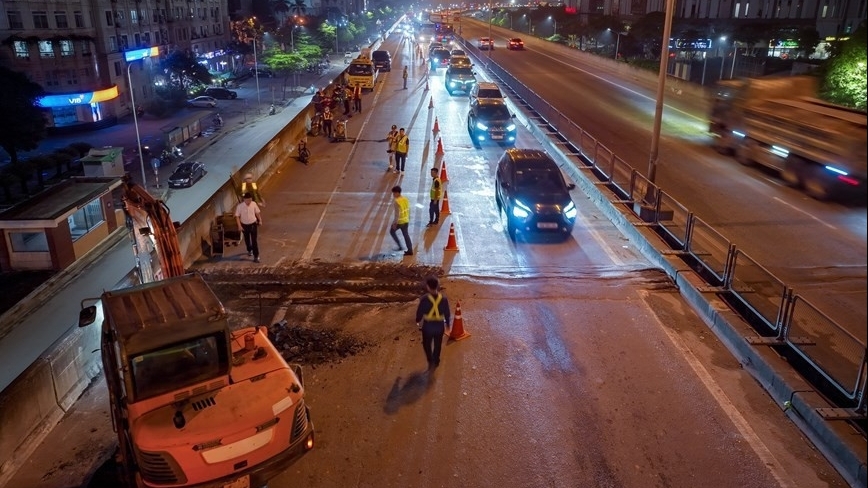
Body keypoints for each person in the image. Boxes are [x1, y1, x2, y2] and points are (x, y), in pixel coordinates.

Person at [414, 276, 451, 368]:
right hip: (439, 326)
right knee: (438, 344)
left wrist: (418, 320)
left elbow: (419, 312)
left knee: (427, 344)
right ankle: (436, 360)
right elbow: (447, 313)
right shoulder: (444, 299)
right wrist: (448, 324)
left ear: (427, 287)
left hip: (428, 326)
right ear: (437, 286)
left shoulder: (424, 299)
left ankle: (430, 360)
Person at [235, 192, 262, 263]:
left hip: (253, 224)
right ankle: (249, 250)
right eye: (247, 200)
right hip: (244, 225)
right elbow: (237, 216)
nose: (249, 202)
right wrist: (239, 226)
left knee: (254, 241)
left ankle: (256, 256)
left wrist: (260, 220)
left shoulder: (253, 204)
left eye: (250, 200)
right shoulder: (240, 206)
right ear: (244, 199)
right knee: (247, 239)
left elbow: (257, 213)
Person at [389, 185, 412, 256]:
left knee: (392, 231)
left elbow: (397, 214)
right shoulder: (405, 199)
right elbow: (408, 209)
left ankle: (400, 246)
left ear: (398, 193)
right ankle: (410, 250)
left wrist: (394, 223)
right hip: (406, 220)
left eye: (394, 193)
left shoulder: (397, 201)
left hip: (400, 221)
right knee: (406, 235)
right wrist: (408, 218)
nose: (393, 195)